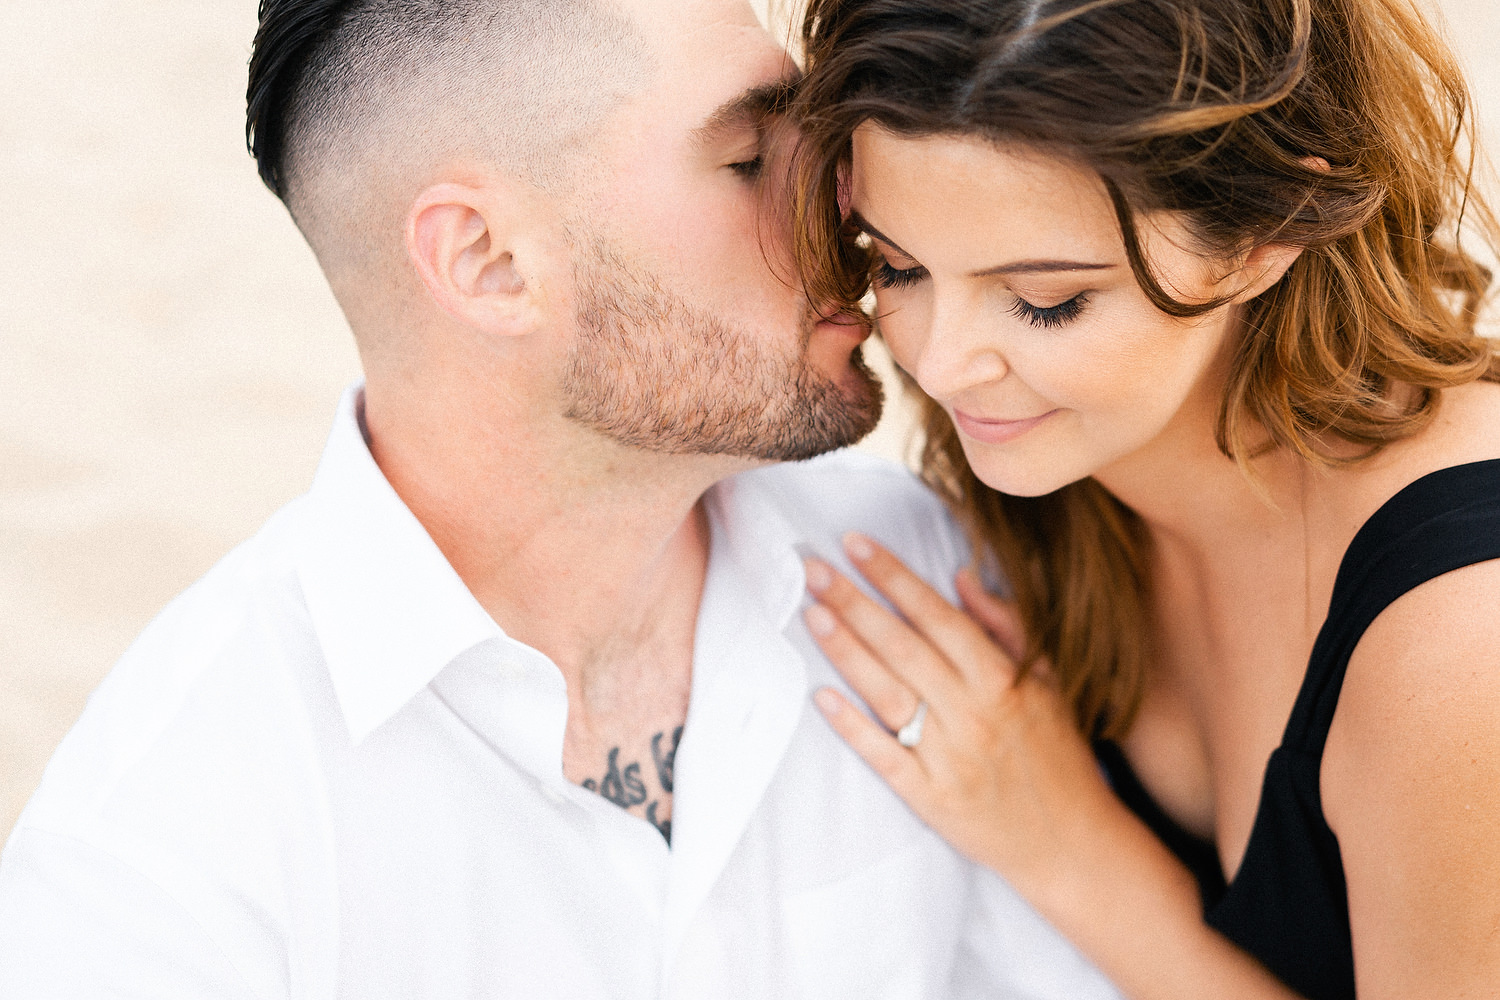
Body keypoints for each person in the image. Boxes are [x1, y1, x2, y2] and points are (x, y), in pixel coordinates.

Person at [0, 0, 1126, 997]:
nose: (850, 198)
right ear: (489, 260)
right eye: (746, 157)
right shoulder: (170, 842)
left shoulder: (921, 573)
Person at [788, 1, 1500, 998]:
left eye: (1045, 299)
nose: (941, 363)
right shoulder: (1062, 468)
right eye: (897, 265)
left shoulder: (1463, 636)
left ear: (1267, 230)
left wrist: (1071, 849)